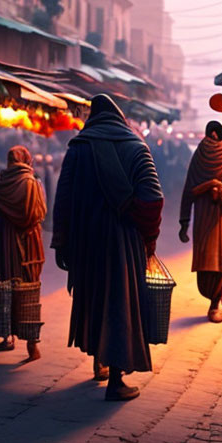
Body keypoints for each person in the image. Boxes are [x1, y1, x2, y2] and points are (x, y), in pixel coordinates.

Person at [52, 94, 163, 401]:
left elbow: (63, 199)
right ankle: (116, 380)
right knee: (118, 303)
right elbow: (153, 198)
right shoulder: (137, 146)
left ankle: (100, 364)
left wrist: (62, 242)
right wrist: (148, 237)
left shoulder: (78, 147)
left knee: (95, 299)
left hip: (86, 240)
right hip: (122, 242)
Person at [179, 121, 222, 323]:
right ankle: (216, 303)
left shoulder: (198, 157)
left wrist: (184, 222)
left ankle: (216, 300)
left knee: (209, 260)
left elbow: (188, 190)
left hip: (203, 219)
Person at [0, 146, 47, 361]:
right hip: (28, 246)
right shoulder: (31, 183)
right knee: (28, 291)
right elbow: (37, 214)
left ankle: (7, 336)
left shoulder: (1, 182)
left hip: (5, 244)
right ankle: (32, 345)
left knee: (6, 286)